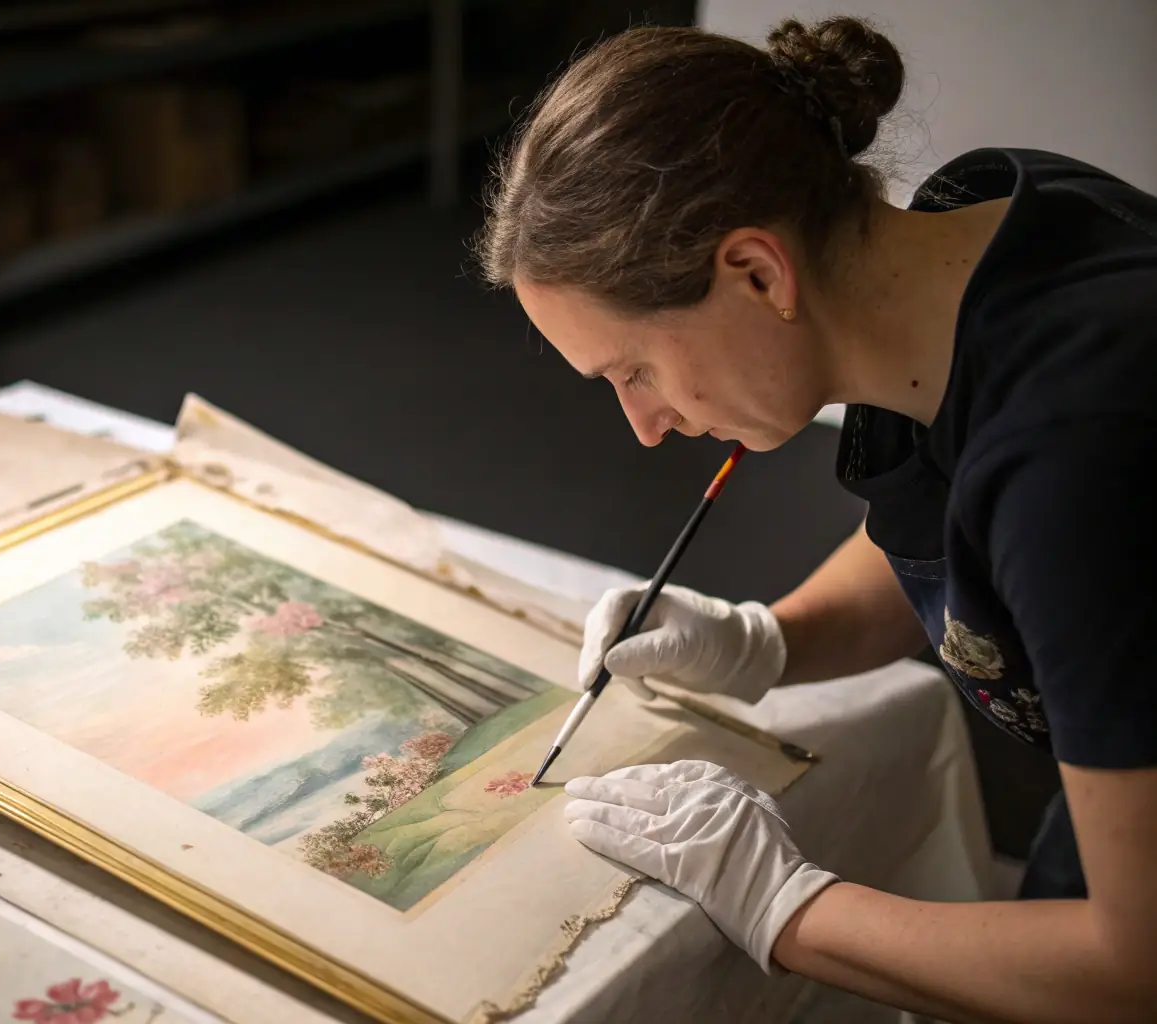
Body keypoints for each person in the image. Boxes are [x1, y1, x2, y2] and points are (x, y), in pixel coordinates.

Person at [475, 14, 1157, 1024]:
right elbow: (960, 530)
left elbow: (1130, 968)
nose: (648, 428)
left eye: (636, 371)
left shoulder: (1076, 456)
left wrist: (785, 904)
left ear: (757, 272)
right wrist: (763, 642)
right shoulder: (970, 229)